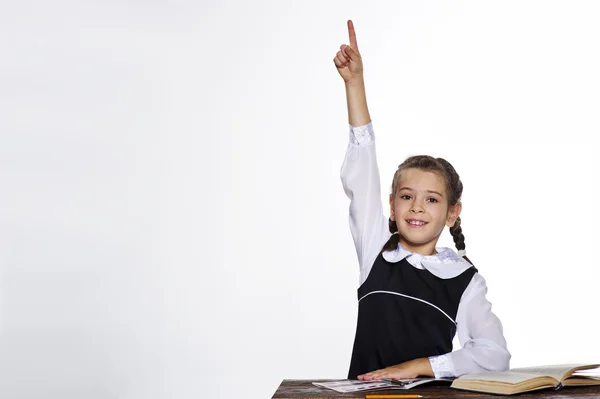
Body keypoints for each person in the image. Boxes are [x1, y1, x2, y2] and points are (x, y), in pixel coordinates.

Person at [332, 20, 511, 381]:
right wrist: (355, 83)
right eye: (406, 196)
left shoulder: (464, 280)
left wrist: (416, 367)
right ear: (392, 206)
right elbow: (363, 166)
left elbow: (495, 356)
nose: (416, 207)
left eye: (431, 199)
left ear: (451, 213)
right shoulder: (375, 253)